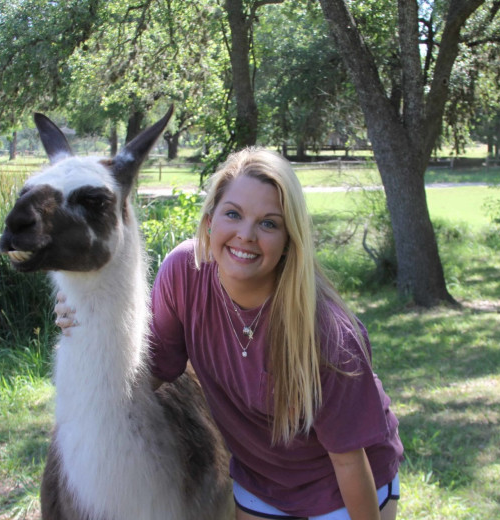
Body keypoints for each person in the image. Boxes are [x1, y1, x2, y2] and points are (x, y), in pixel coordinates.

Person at [57, 148, 404, 519]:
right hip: (260, 484)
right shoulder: (184, 274)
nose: (246, 235)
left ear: (289, 240)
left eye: (269, 223)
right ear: (209, 222)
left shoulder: (328, 334)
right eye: (233, 214)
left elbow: (350, 463)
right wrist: (94, 317)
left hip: (340, 489)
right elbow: (151, 374)